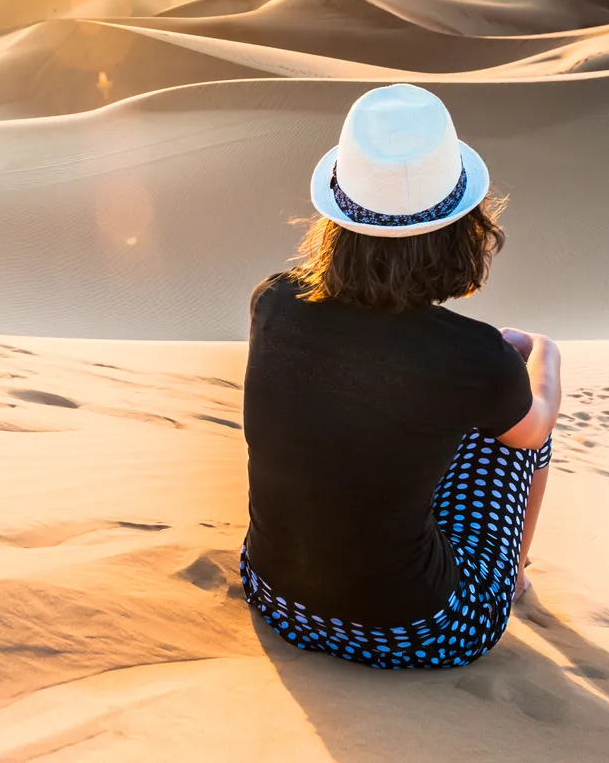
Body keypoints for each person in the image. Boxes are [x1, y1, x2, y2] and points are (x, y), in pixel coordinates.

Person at [240, 83, 562, 669]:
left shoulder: (274, 300)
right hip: (418, 632)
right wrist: (543, 352)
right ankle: (511, 579)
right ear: (463, 228)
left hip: (274, 597)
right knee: (519, 429)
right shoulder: (472, 357)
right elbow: (534, 427)